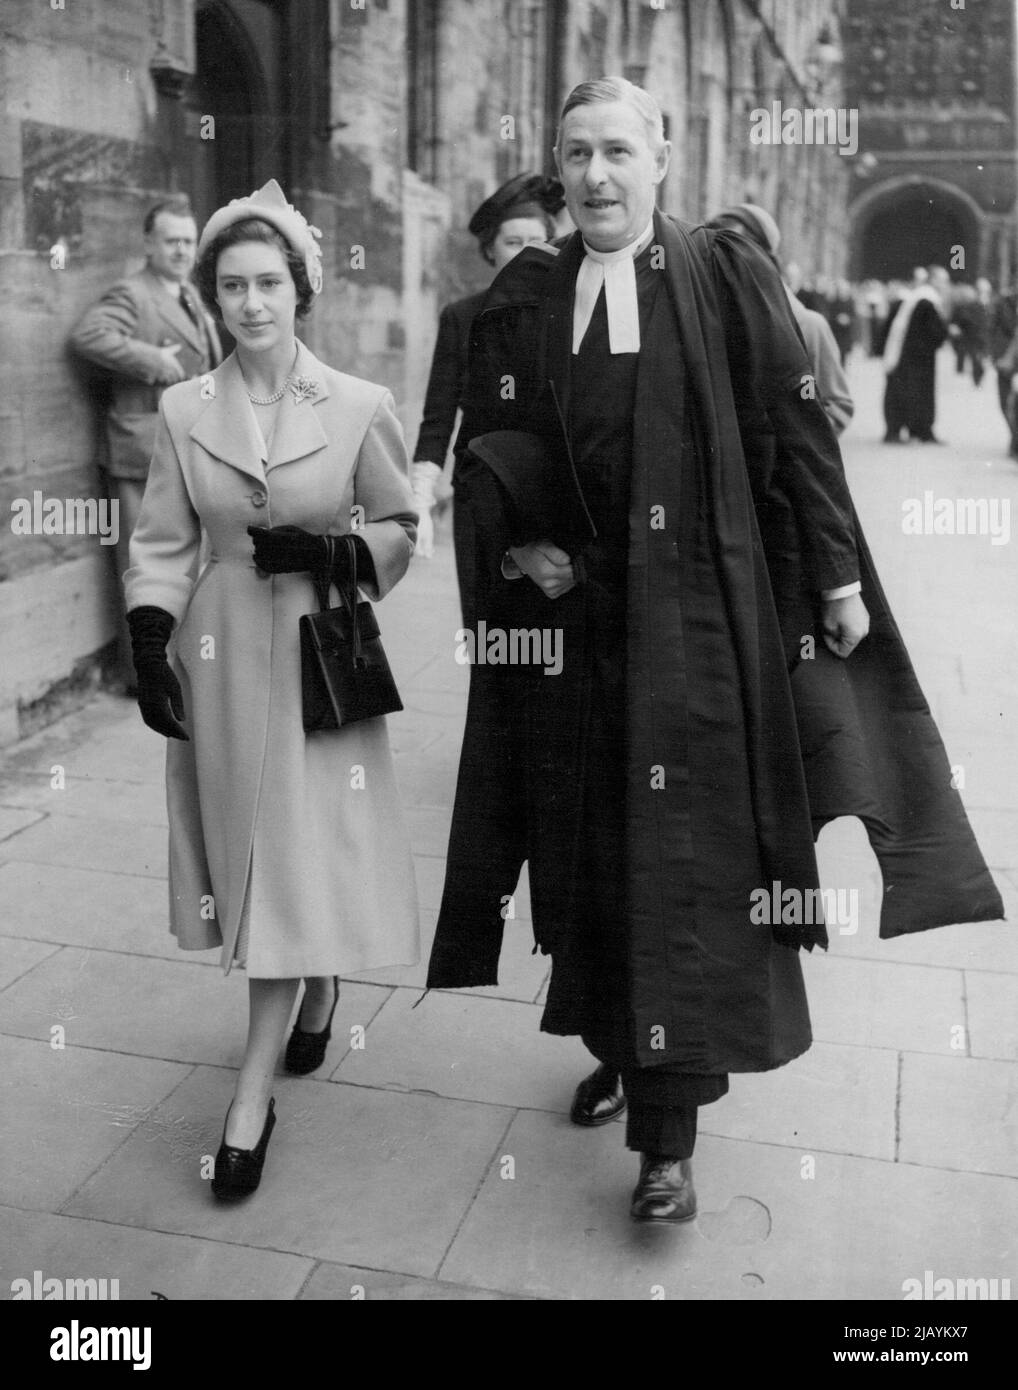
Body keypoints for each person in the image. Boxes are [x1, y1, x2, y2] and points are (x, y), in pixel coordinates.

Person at [426, 77, 1002, 1224]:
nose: (596, 175)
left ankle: (667, 1137)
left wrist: (835, 575)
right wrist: (527, 543)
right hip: (582, 635)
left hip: (698, 629)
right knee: (591, 854)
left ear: (662, 161)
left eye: (618, 154)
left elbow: (796, 429)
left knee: (689, 867)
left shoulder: (722, 275)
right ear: (557, 166)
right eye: (576, 154)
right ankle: (626, 1040)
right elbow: (503, 443)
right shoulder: (532, 298)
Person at [123, 180, 419, 1200]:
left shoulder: (355, 405)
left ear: (302, 291)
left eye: (270, 284)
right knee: (249, 861)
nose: (252, 303)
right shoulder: (181, 408)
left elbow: (401, 527)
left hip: (312, 659)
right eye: (233, 285)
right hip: (216, 660)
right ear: (210, 296)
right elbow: (163, 539)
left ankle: (249, 1096)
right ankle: (319, 979)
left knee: (284, 864)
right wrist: (149, 624)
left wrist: (338, 550)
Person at [70, 197, 222, 688]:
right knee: (143, 566)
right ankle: (143, 676)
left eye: (188, 241)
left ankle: (178, 662)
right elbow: (88, 335)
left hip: (187, 448)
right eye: (171, 241)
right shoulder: (133, 293)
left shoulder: (192, 295)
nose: (181, 250)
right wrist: (149, 359)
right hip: (140, 451)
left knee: (185, 561)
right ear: (149, 244)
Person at [412, 174, 565, 589]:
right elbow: (439, 415)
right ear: (490, 250)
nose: (526, 253)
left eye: (537, 241)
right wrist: (422, 499)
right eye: (512, 242)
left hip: (550, 500)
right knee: (490, 635)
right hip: (481, 495)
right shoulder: (462, 317)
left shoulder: (566, 313)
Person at [708, 205, 854, 435]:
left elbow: (836, 406)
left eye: (736, 253)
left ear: (763, 257)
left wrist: (795, 441)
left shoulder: (807, 326)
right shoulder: (702, 319)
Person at [882, 265, 950, 443]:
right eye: (943, 281)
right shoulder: (926, 300)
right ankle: (917, 431)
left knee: (908, 392)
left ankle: (915, 430)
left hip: (913, 355)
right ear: (934, 280)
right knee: (912, 394)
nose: (945, 285)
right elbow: (933, 330)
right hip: (918, 358)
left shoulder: (920, 297)